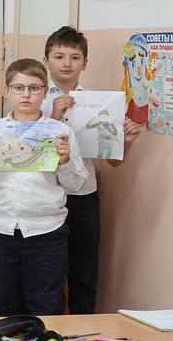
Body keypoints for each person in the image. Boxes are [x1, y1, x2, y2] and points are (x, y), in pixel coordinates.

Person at [0, 58, 88, 317]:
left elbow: (75, 185)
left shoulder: (60, 132)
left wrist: (65, 162)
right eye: (19, 88)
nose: (26, 94)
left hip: (46, 231)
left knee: (47, 307)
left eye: (34, 88)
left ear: (45, 92)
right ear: (6, 91)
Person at [42, 26, 141, 314]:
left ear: (85, 63)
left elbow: (113, 161)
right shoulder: (35, 97)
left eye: (75, 57)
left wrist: (127, 143)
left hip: (82, 195)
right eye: (59, 56)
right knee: (46, 276)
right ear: (46, 60)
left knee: (84, 273)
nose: (67, 63)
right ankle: (46, 332)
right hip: (44, 195)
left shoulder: (100, 103)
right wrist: (54, 115)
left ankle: (83, 332)